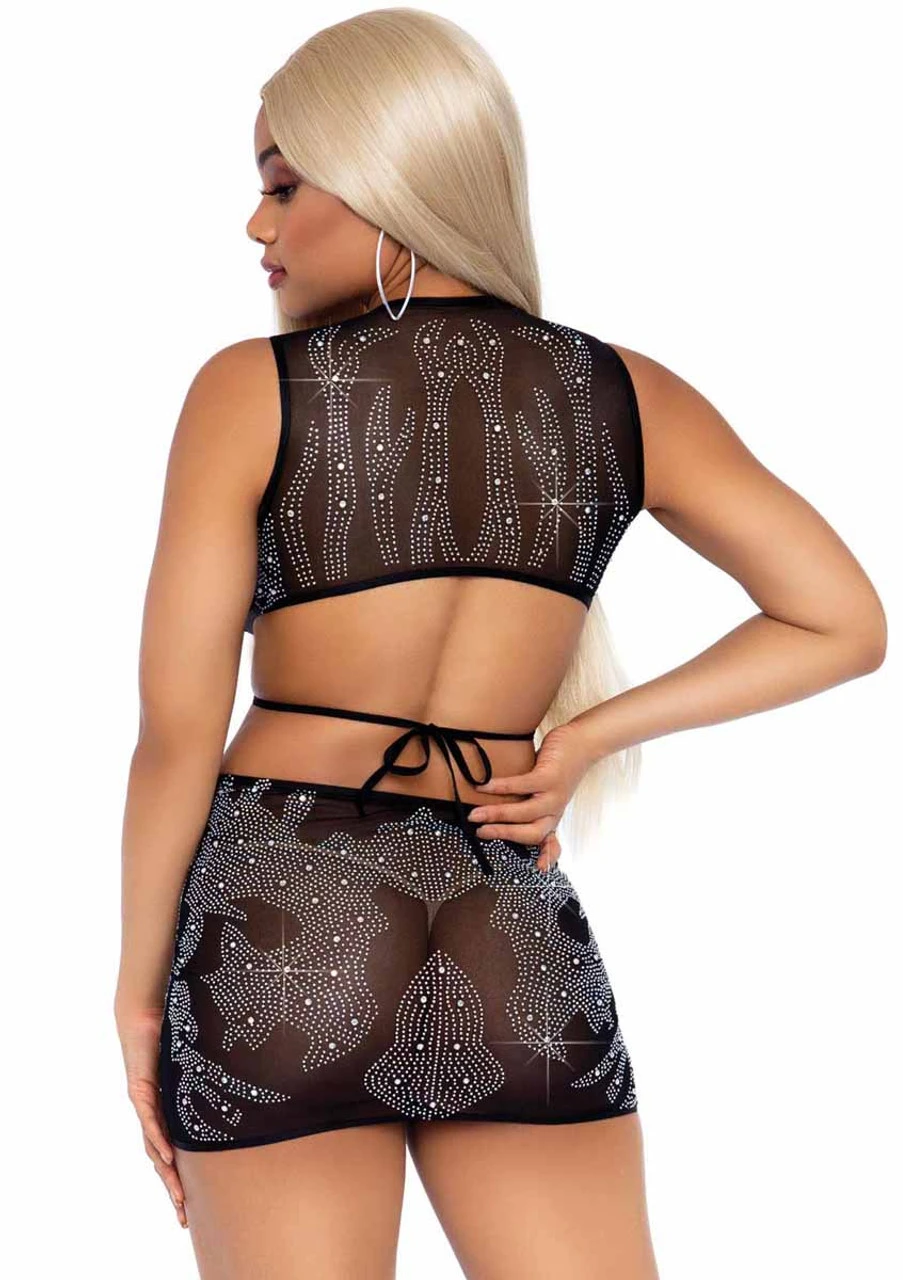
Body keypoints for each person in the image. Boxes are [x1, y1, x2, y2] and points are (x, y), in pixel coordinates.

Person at [113, 10, 887, 1279]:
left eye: (282, 185)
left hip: (280, 914)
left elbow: (176, 737)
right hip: (504, 908)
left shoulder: (250, 390)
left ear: (390, 179)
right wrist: (579, 738)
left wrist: (140, 991)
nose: (257, 225)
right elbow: (842, 619)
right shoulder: (627, 393)